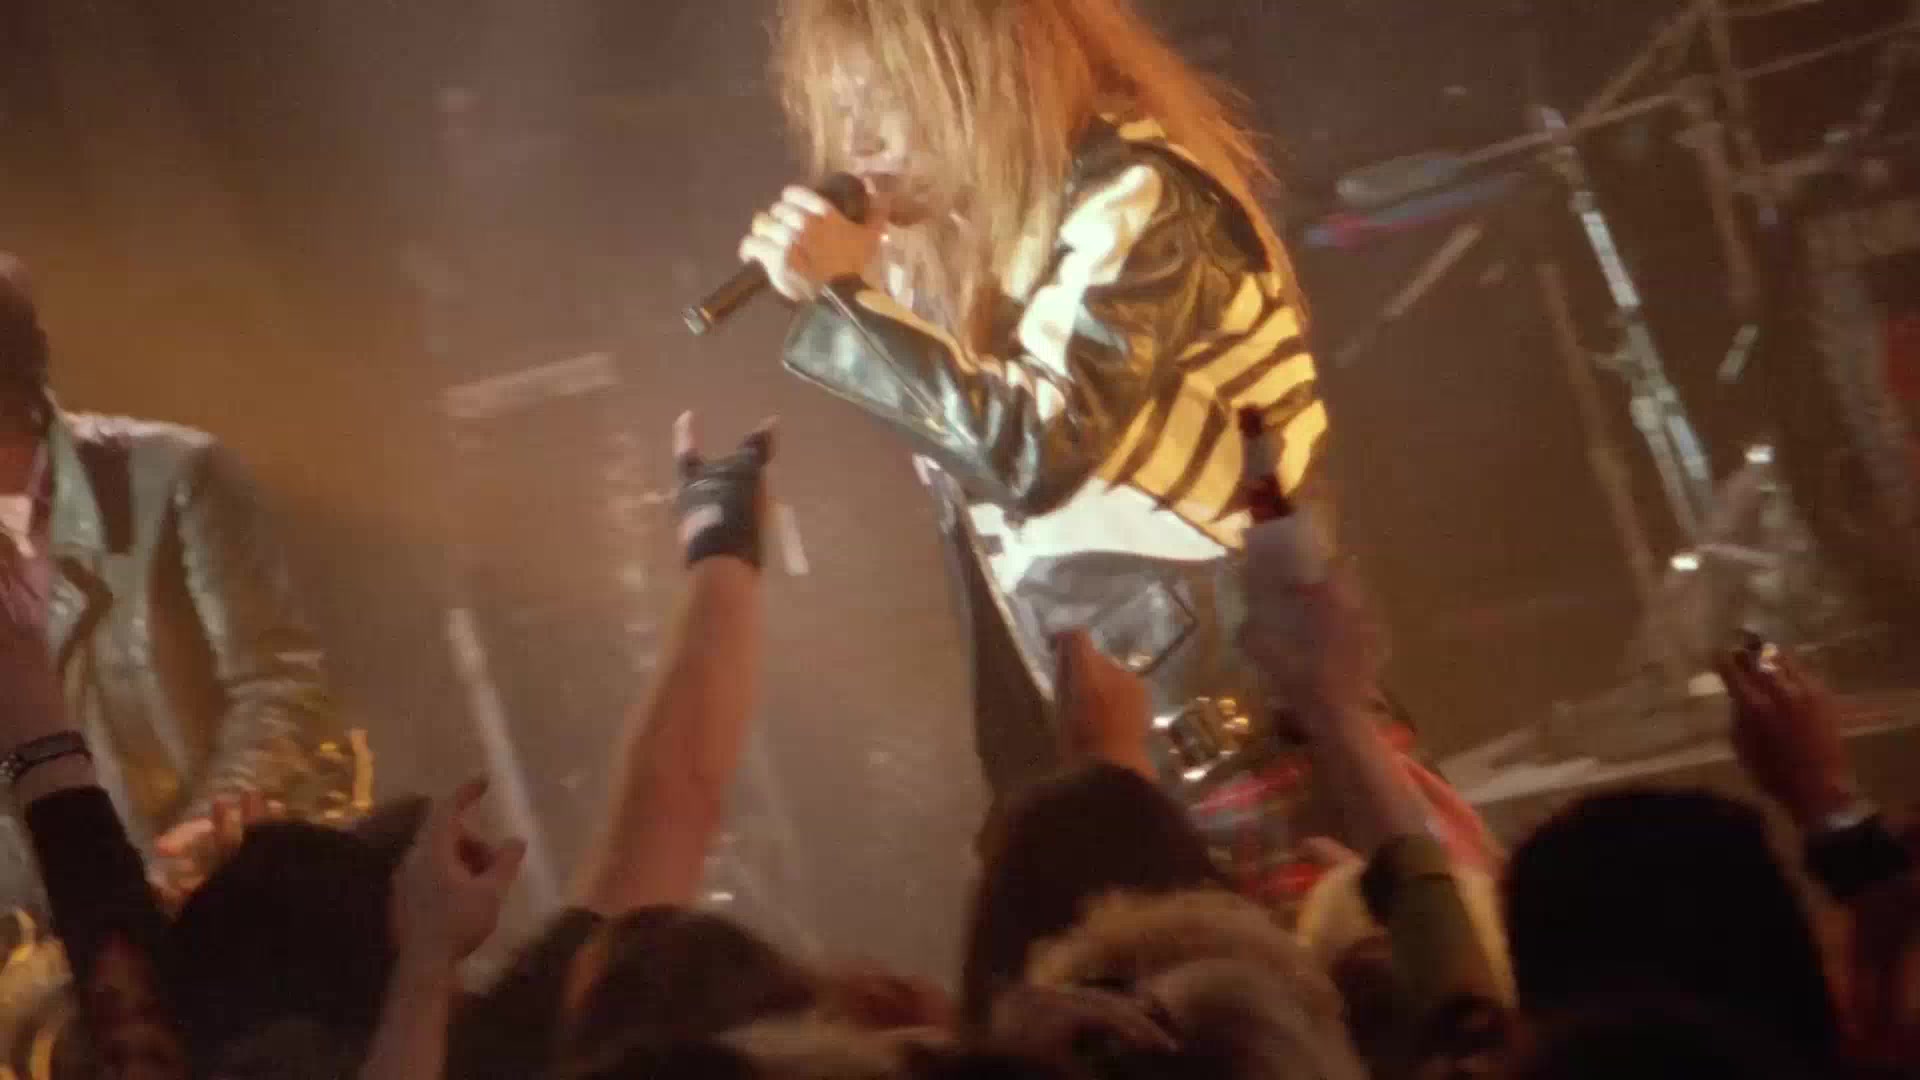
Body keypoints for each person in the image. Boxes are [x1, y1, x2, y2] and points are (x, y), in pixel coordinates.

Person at [738, 0, 1338, 832]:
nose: (860, 142)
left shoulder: (1141, 200)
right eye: (842, 109)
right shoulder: (960, 262)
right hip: (1110, 769)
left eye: (885, 99)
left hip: (1239, 751)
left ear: (986, 75)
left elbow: (1035, 446)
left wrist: (845, 302)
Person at [0, 254, 364, 1061]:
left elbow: (280, 686)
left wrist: (195, 854)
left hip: (233, 950)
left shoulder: (174, 477)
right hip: (59, 1000)